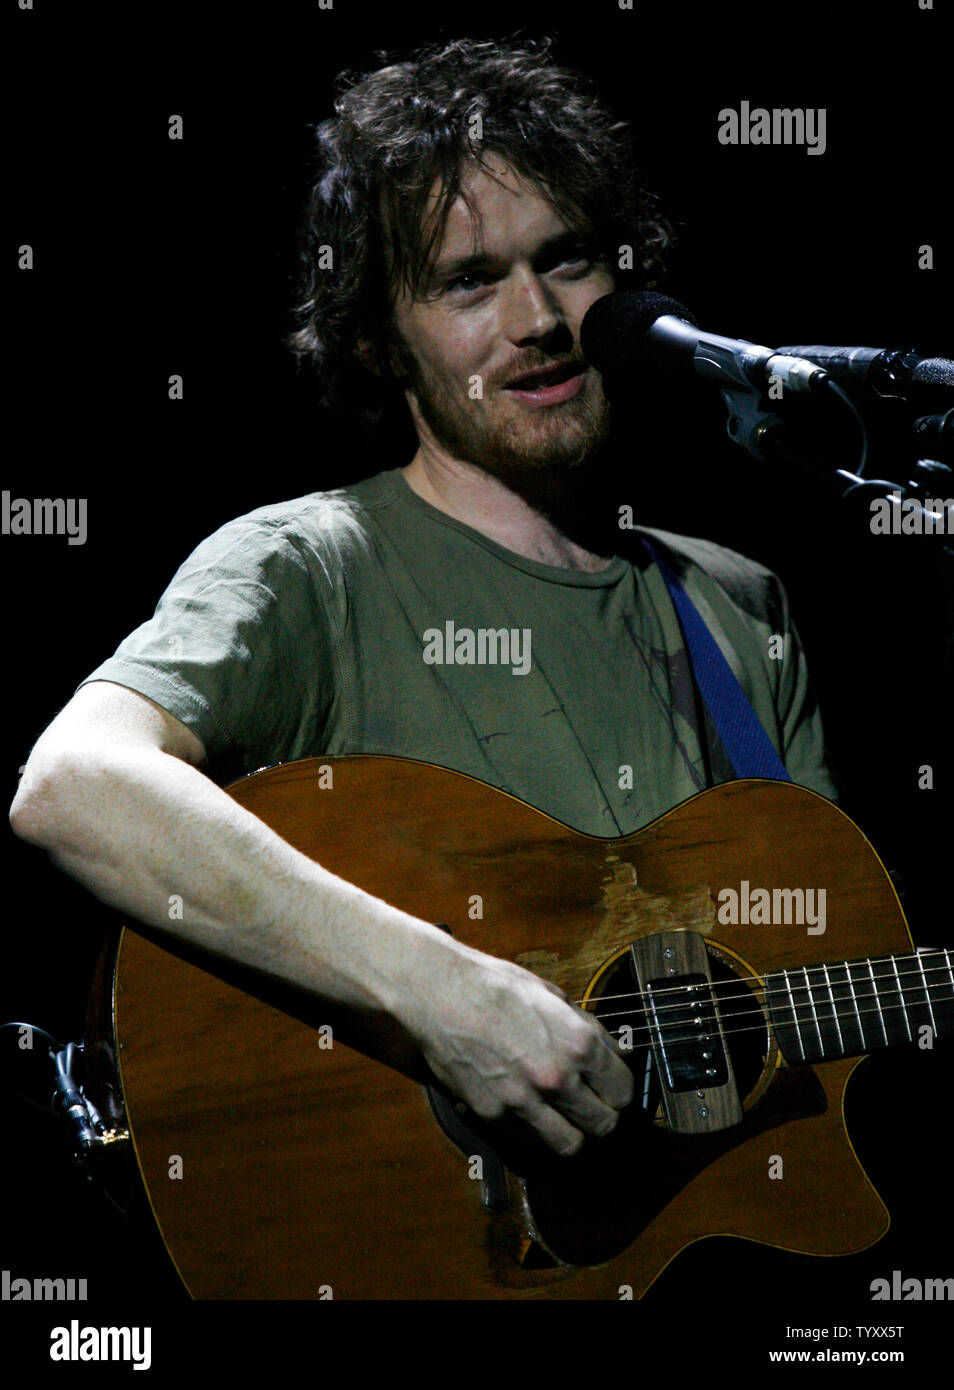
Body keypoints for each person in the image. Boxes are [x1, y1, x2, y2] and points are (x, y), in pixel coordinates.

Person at [9, 37, 836, 1162]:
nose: (539, 318)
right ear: (374, 338)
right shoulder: (306, 566)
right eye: (468, 281)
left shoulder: (737, 603)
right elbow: (74, 785)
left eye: (571, 259)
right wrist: (438, 993)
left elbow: (814, 978)